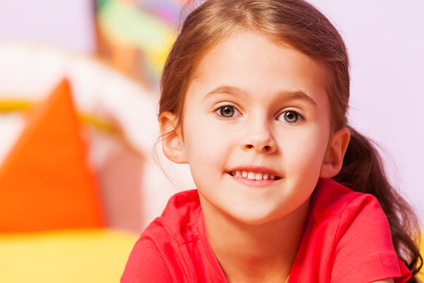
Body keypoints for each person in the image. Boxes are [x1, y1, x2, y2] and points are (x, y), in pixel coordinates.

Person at [121, 0, 423, 282]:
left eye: (290, 116)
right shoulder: (162, 254)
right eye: (227, 110)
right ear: (175, 137)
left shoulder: (352, 225)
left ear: (331, 152)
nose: (259, 138)